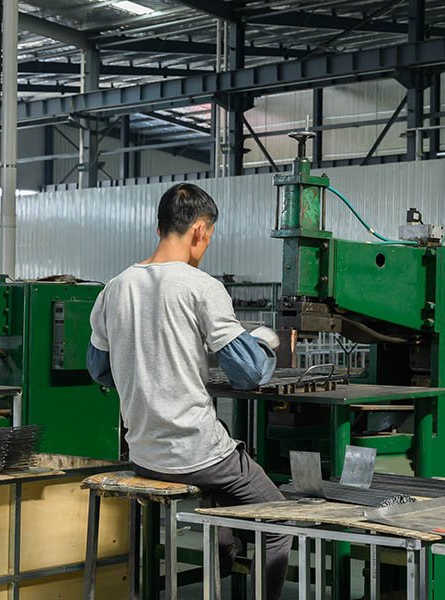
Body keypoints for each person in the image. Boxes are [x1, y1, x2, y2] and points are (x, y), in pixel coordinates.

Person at [86, 182, 291, 599]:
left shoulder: (114, 288)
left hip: (144, 453)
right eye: (209, 236)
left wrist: (146, 373)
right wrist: (263, 344)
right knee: (279, 521)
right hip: (196, 455)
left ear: (159, 227)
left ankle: (223, 560)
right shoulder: (201, 287)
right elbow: (249, 374)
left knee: (224, 481)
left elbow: (100, 370)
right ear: (200, 230)